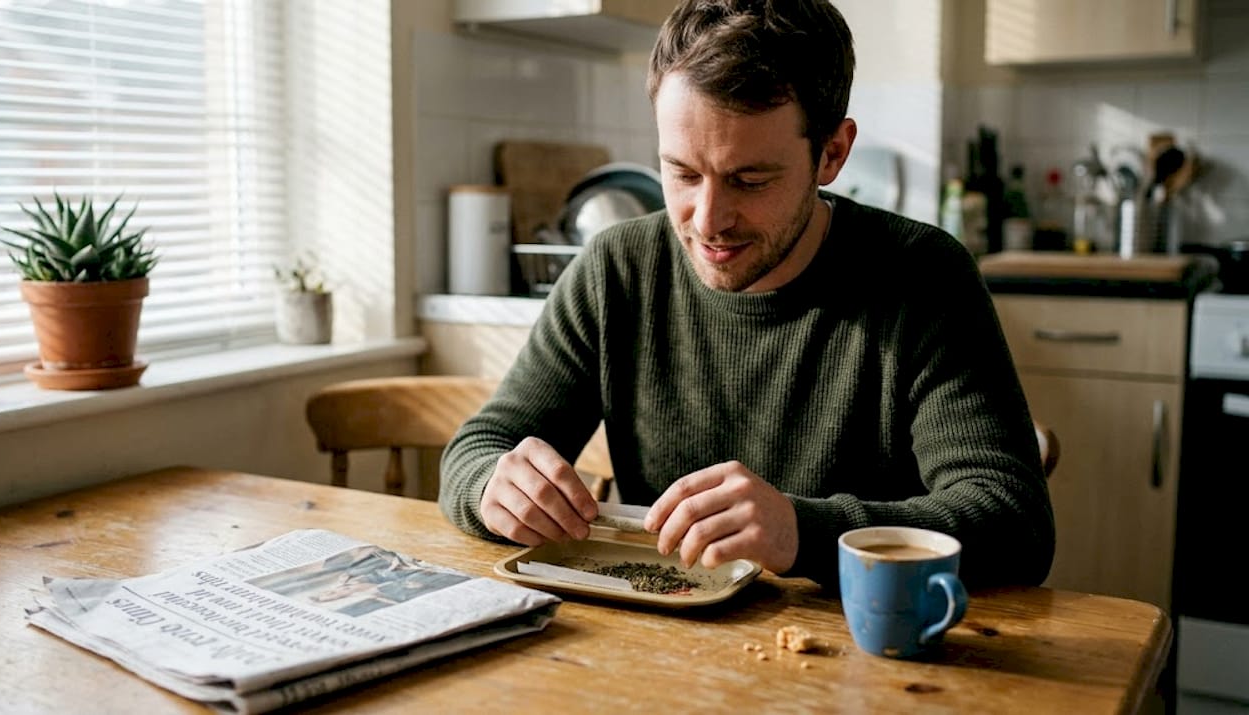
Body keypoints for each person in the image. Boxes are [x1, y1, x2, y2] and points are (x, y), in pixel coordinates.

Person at [439, 0, 1054, 589]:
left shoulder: (923, 276)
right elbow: (475, 450)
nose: (708, 219)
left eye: (750, 180)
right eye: (681, 172)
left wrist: (799, 532)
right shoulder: (615, 268)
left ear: (832, 153)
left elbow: (1014, 523)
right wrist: (493, 485)